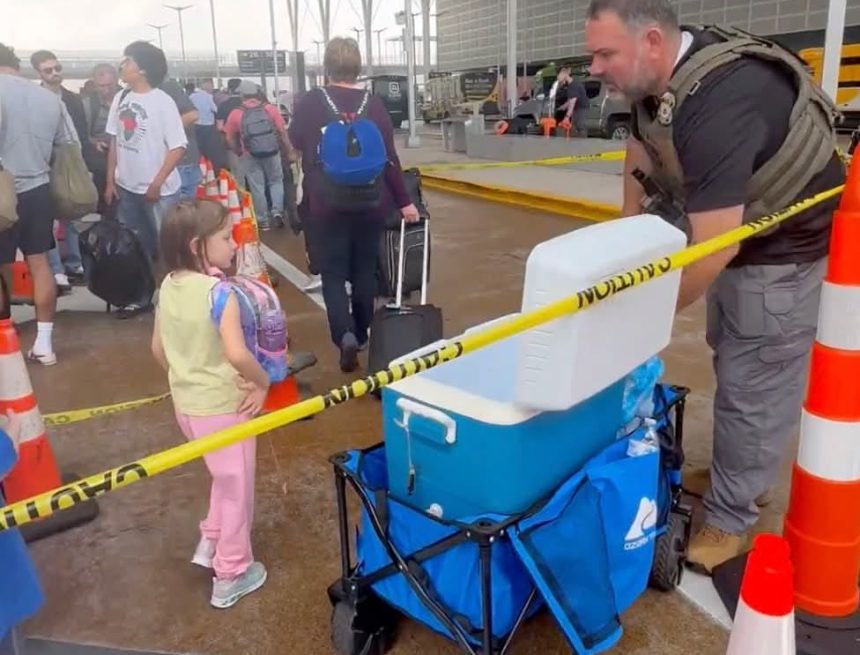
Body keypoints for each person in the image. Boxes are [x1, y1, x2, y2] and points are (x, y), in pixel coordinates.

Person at [585, 0, 844, 573]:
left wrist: (643, 319)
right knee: (730, 351)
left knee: (756, 378)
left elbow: (714, 247)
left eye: (605, 54)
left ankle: (731, 518)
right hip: (740, 232)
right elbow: (641, 143)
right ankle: (741, 476)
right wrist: (626, 229)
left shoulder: (720, 102)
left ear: (652, 41)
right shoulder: (654, 81)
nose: (595, 67)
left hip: (782, 250)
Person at [151, 199, 269, 609]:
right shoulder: (220, 294)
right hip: (224, 407)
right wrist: (263, 382)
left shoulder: (167, 286)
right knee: (238, 488)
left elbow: (157, 349)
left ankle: (212, 539)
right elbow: (237, 354)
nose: (234, 244)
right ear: (197, 245)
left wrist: (188, 376)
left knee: (223, 475)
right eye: (225, 237)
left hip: (188, 407)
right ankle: (231, 573)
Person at [288, 37, 419, 372]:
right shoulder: (373, 104)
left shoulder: (310, 102)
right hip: (371, 202)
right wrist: (405, 202)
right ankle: (361, 333)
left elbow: (295, 141)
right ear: (358, 67)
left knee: (333, 273)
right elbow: (390, 158)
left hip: (325, 203)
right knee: (364, 270)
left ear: (327, 67)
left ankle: (343, 335)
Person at [0, 43, 75, 365]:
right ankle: (45, 343)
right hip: (38, 188)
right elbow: (68, 145)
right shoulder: (49, 98)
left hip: (2, 190)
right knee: (40, 262)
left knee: (1, 265)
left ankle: (5, 336)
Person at [105, 41, 187, 304]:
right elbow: (115, 141)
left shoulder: (163, 102)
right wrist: (110, 180)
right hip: (127, 188)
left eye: (127, 61)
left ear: (142, 70)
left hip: (160, 191)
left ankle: (173, 297)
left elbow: (178, 147)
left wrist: (157, 183)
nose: (122, 66)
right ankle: (142, 297)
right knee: (136, 247)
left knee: (167, 247)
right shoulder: (121, 98)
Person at [224, 80, 294, 230]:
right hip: (273, 152)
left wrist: (238, 151)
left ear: (242, 95)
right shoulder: (270, 109)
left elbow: (229, 137)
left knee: (257, 186)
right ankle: (277, 212)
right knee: (276, 181)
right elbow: (282, 132)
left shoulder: (236, 113)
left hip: (250, 154)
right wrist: (289, 149)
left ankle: (263, 220)